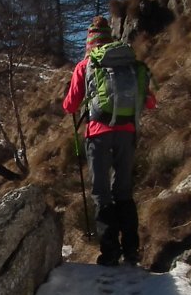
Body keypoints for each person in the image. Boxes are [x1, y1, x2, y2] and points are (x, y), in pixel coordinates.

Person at [62, 16, 156, 266]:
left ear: (89, 43)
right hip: (127, 133)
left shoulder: (86, 65)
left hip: (98, 134)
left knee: (102, 194)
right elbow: (150, 102)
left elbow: (69, 105)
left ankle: (110, 252)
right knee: (123, 191)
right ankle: (132, 249)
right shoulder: (130, 65)